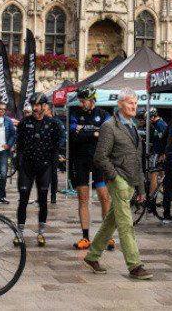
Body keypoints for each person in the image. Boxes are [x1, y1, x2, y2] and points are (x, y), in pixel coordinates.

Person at [82, 88, 152, 280]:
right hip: (118, 180)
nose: (134, 106)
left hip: (131, 180)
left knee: (112, 220)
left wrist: (141, 187)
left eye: (136, 103)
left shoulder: (134, 125)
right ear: (120, 104)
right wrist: (116, 178)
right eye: (131, 103)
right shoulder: (109, 126)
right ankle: (134, 265)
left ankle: (92, 255)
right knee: (126, 223)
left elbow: (137, 158)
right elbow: (100, 157)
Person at [68, 87, 113, 250]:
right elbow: (73, 136)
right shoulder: (75, 114)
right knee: (83, 198)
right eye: (80, 101)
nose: (81, 104)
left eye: (83, 101)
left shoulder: (104, 115)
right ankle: (85, 237)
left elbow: (108, 135)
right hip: (81, 160)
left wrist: (85, 131)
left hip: (99, 160)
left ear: (92, 99)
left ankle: (107, 237)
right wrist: (94, 133)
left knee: (104, 198)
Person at [15, 93, 59, 246]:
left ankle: (41, 233)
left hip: (44, 167)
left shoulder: (53, 124)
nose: (34, 108)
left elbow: (55, 148)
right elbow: (19, 145)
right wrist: (18, 163)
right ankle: (19, 233)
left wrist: (54, 171)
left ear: (45, 106)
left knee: (43, 201)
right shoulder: (24, 123)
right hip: (27, 166)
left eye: (37, 105)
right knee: (23, 200)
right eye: (32, 104)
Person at [46, 103, 65, 205]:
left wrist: (57, 146)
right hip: (41, 152)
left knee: (53, 174)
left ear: (49, 110)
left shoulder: (57, 122)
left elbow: (62, 136)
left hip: (53, 152)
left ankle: (53, 195)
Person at [146, 109, 168, 198]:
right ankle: (163, 196)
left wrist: (163, 153)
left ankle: (151, 197)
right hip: (159, 152)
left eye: (148, 119)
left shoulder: (159, 124)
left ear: (152, 117)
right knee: (161, 175)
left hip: (159, 153)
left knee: (153, 174)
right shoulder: (158, 124)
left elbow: (164, 139)